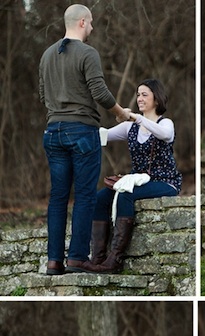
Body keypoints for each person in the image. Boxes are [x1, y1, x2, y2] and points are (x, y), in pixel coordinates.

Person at [39, 4, 128, 275]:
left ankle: (54, 260)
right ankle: (77, 257)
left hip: (52, 132)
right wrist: (120, 112)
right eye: (91, 23)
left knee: (57, 198)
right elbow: (100, 92)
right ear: (81, 22)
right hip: (81, 131)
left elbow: (43, 95)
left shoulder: (46, 55)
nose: (92, 28)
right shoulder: (88, 53)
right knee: (85, 196)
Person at [85, 78, 182, 274]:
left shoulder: (166, 123)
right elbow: (101, 135)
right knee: (100, 198)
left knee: (125, 194)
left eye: (144, 94)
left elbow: (164, 135)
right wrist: (77, 129)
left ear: (157, 98)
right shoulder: (130, 127)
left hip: (164, 182)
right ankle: (98, 257)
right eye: (138, 94)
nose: (139, 98)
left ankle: (115, 259)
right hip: (137, 180)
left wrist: (136, 117)